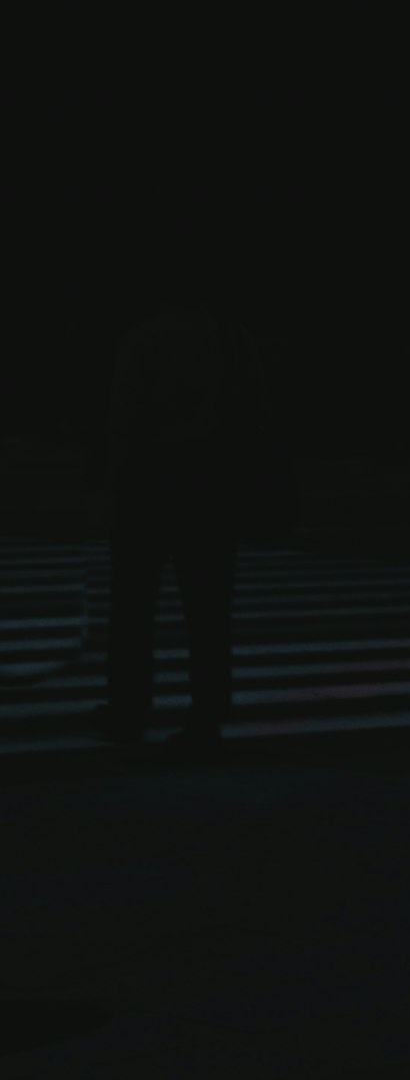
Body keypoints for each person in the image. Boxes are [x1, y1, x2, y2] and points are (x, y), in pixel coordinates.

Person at [102, 290, 239, 748]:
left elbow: (123, 417)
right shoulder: (229, 341)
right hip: (212, 483)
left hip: (149, 484)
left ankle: (130, 701)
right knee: (208, 607)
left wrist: (112, 484)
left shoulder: (142, 340)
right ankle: (207, 709)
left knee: (133, 603)